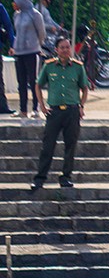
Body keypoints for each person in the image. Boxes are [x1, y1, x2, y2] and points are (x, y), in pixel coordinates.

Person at [28, 36, 87, 192]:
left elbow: (85, 88)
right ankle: (40, 178)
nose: (65, 50)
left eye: (68, 47)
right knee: (47, 146)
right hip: (54, 112)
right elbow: (38, 85)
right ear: (56, 49)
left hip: (72, 111)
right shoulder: (49, 66)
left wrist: (81, 106)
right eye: (62, 47)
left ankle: (66, 177)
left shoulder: (77, 67)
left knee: (70, 146)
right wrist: (41, 105)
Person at [11, 0, 46, 121]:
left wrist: (37, 44)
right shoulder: (17, 15)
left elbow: (41, 32)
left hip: (32, 52)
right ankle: (23, 109)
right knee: (21, 82)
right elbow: (17, 33)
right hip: (19, 52)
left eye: (16, 1)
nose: (14, 4)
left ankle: (36, 109)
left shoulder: (35, 14)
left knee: (34, 81)